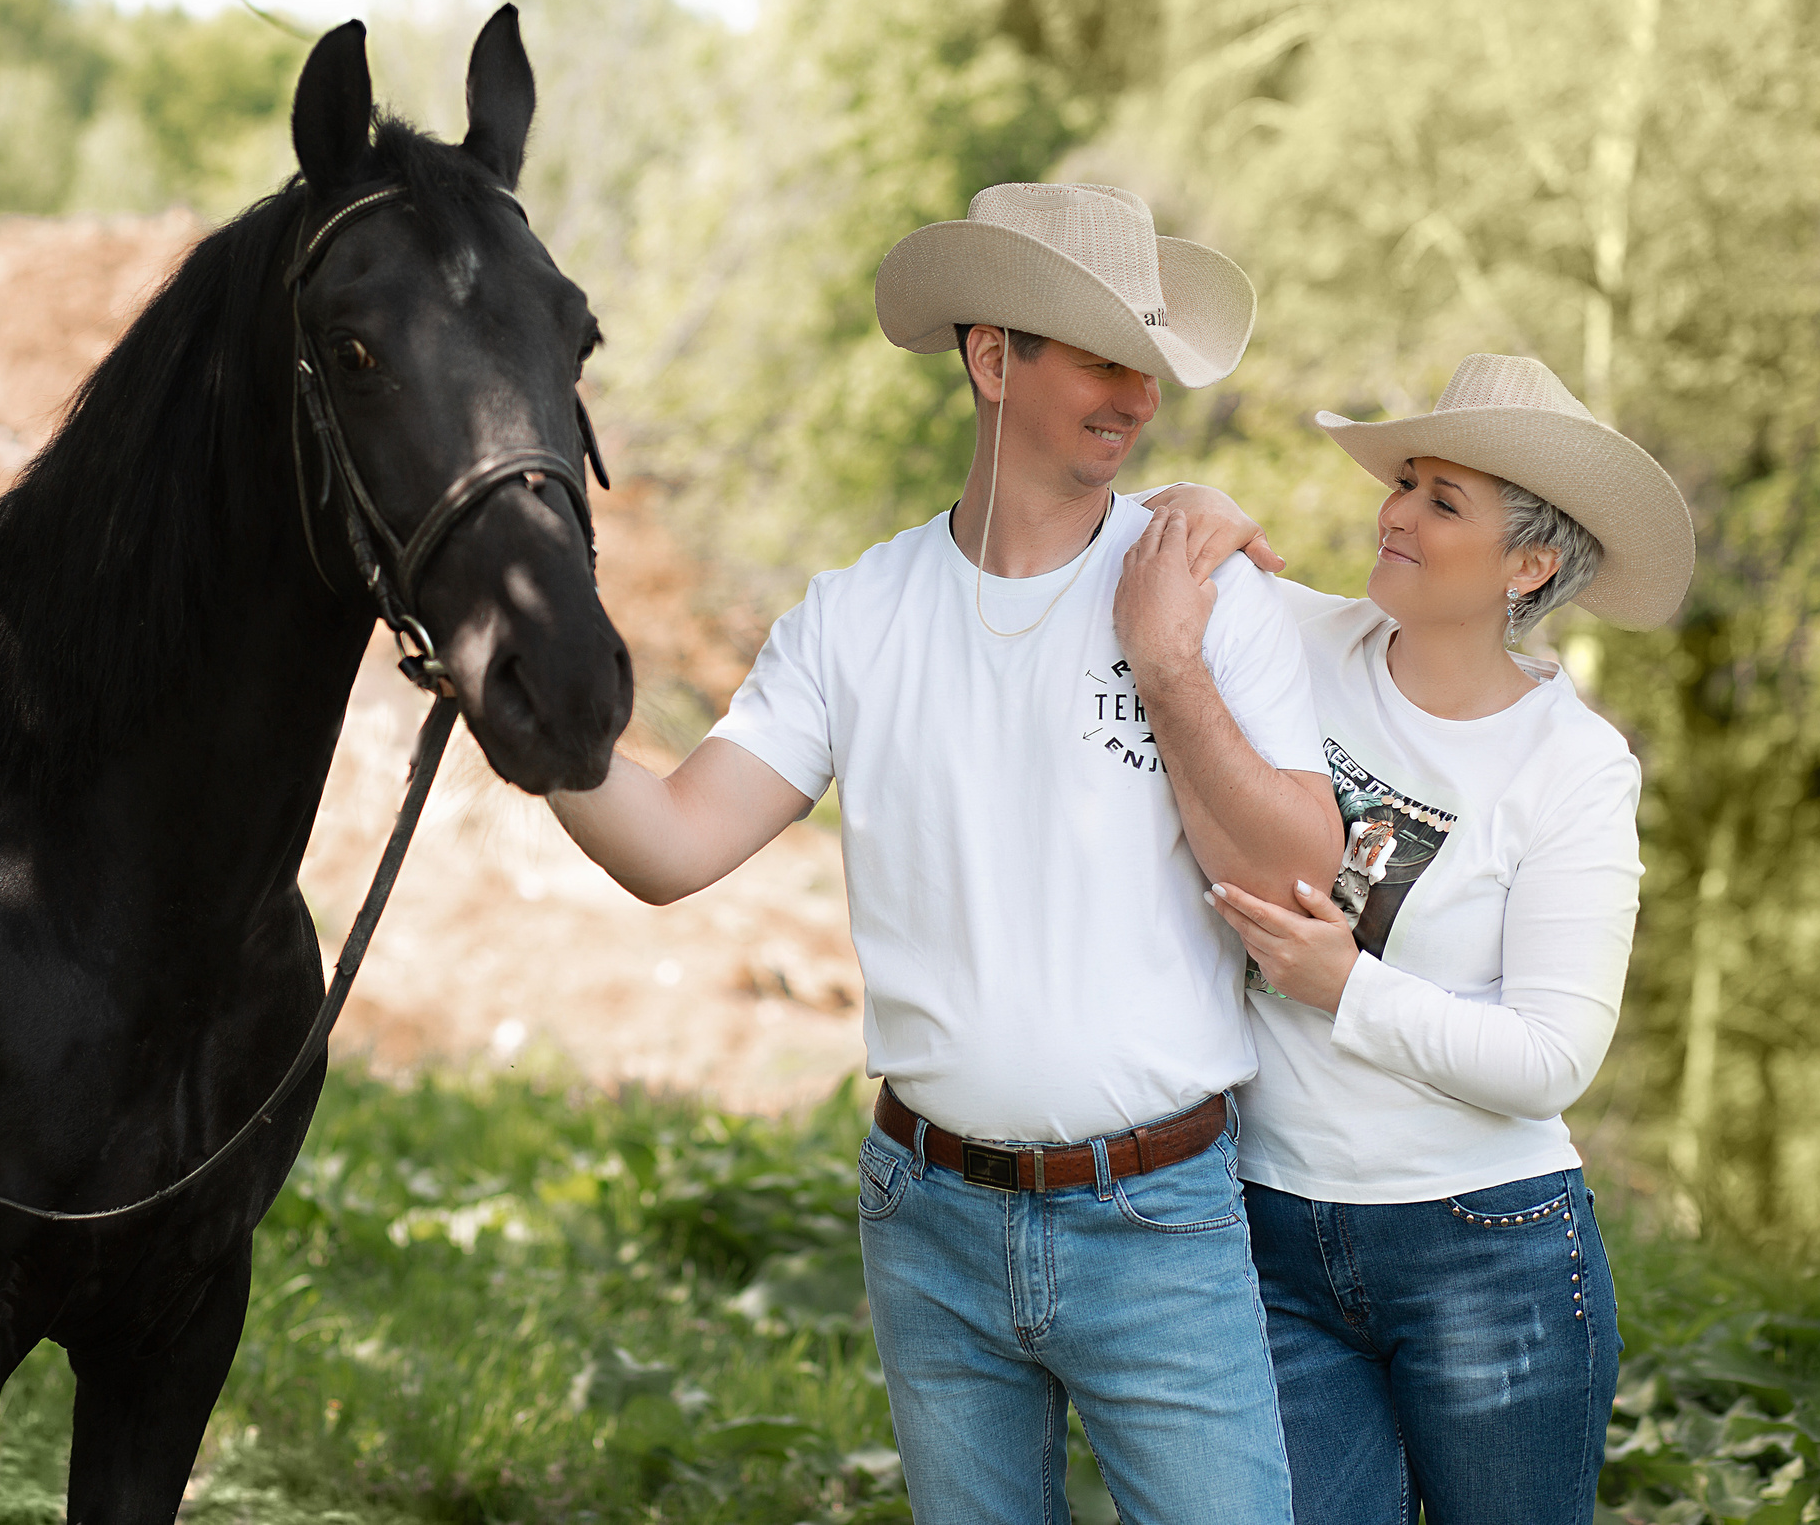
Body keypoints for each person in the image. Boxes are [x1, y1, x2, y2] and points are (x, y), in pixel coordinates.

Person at [544, 182, 1343, 1523]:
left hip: (1159, 1219)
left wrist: (1168, 664)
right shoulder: (855, 617)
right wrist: (519, 713)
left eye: (1145, 363)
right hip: (930, 1219)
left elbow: (1296, 874)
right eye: (1099, 355)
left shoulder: (1203, 591)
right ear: (991, 357)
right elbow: (674, 841)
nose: (1135, 395)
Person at [1135, 353, 1696, 1525]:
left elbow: (1553, 1060)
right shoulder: (1292, 639)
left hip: (1487, 1259)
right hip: (1264, 1230)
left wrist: (1346, 988)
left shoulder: (1574, 767)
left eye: (1443, 502)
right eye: (1405, 483)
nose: (1393, 513)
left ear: (1529, 564)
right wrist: (1205, 508)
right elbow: (1150, 536)